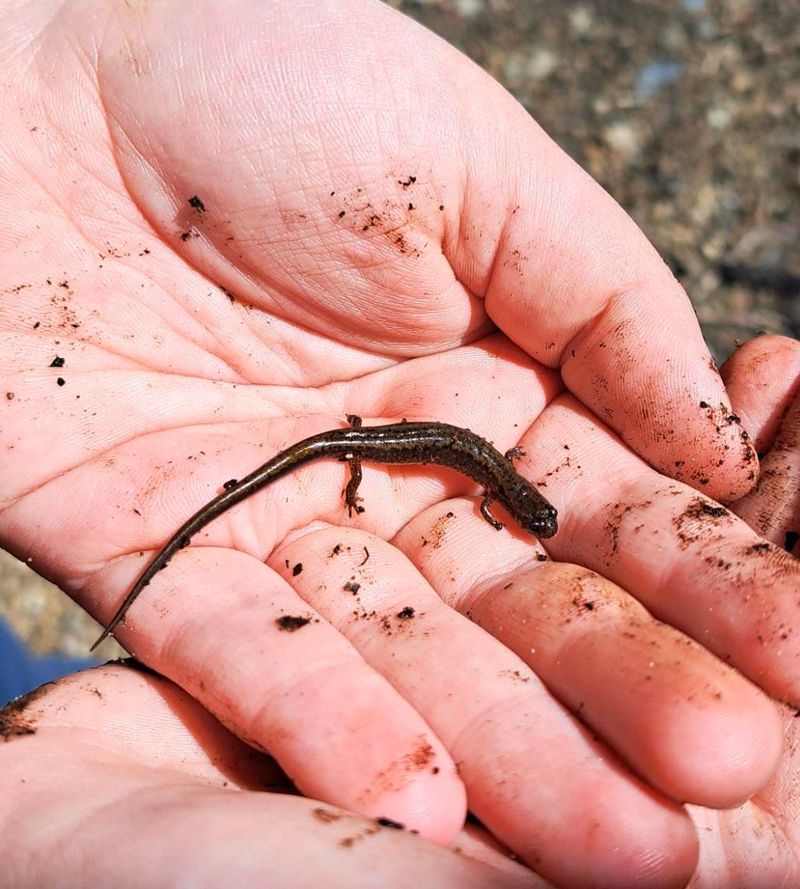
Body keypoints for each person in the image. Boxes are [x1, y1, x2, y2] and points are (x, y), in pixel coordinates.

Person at [0, 1, 797, 886]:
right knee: (339, 460)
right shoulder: (496, 492)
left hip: (367, 437)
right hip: (361, 441)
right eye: (525, 511)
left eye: (530, 512)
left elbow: (487, 478)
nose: (524, 513)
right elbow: (488, 492)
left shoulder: (503, 481)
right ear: (516, 500)